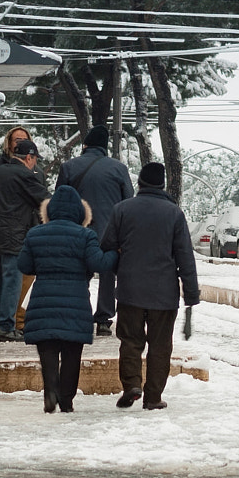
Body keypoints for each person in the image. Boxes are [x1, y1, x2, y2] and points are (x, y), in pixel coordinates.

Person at [99, 161, 200, 410]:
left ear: (140, 183)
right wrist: (190, 295)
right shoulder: (174, 213)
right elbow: (185, 256)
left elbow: (106, 246)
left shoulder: (122, 209)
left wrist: (120, 269)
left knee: (131, 341)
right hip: (164, 294)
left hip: (130, 290)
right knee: (160, 346)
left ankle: (131, 384)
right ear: (163, 184)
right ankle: (153, 397)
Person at [16, 186, 118, 414]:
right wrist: (115, 253)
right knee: (72, 353)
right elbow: (98, 263)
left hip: (43, 302)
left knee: (48, 350)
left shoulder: (35, 234)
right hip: (76, 303)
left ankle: (50, 390)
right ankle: (67, 400)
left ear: (50, 211)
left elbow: (24, 265)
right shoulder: (86, 235)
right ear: (80, 213)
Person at [57, 123, 134, 336]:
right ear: (105, 147)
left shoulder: (69, 167)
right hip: (109, 233)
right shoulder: (119, 169)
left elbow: (60, 201)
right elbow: (128, 202)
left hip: (77, 231)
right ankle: (103, 319)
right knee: (108, 274)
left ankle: (78, 313)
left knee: (78, 273)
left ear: (85, 144)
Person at [0, 126, 45, 333]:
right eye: (35, 159)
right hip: (14, 238)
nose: (35, 163)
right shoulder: (24, 175)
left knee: (1, 284)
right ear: (29, 157)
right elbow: (46, 201)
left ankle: (3, 325)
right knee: (13, 282)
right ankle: (7, 327)